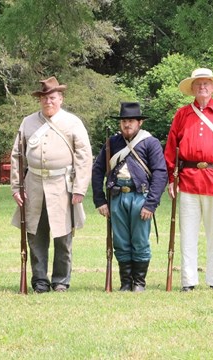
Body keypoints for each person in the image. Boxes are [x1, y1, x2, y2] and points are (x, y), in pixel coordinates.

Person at [11, 76, 93, 293]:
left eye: (53, 98)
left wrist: (79, 189)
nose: (48, 102)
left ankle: (60, 280)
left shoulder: (73, 122)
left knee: (63, 236)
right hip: (34, 184)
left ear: (61, 99)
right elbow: (17, 155)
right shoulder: (28, 122)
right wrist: (17, 186)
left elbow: (85, 156)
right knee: (35, 235)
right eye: (45, 98)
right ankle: (39, 280)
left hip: (62, 184)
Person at [164, 68, 213, 291]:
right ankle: (188, 280)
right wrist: (172, 179)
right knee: (187, 233)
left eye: (207, 83)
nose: (203, 87)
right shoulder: (181, 115)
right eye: (198, 84)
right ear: (193, 88)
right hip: (188, 180)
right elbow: (171, 149)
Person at [91, 102, 168, 292]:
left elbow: (160, 173)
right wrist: (100, 200)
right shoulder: (112, 143)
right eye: (124, 121)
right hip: (117, 198)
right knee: (121, 241)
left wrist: (151, 204)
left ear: (139, 122)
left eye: (131, 121)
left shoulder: (150, 142)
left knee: (140, 241)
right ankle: (126, 282)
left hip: (141, 197)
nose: (127, 124)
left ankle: (139, 283)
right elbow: (98, 170)